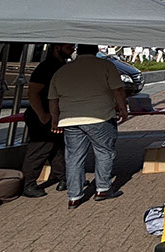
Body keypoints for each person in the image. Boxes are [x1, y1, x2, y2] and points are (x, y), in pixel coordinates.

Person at [48, 44, 129, 209]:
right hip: (100, 117)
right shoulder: (106, 66)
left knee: (74, 158)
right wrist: (123, 108)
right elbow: (118, 90)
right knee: (104, 152)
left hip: (70, 120)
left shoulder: (62, 71)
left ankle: (74, 196)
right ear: (96, 50)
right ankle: (103, 189)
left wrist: (55, 119)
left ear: (78, 51)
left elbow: (53, 99)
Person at [22, 43, 74, 198]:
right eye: (69, 47)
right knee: (40, 149)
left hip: (52, 114)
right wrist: (43, 115)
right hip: (42, 115)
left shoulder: (60, 65)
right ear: (57, 48)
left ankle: (64, 178)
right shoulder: (46, 66)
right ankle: (28, 184)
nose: (73, 49)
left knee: (57, 147)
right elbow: (33, 93)